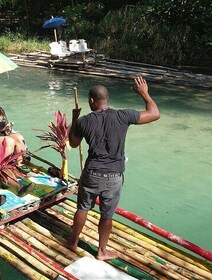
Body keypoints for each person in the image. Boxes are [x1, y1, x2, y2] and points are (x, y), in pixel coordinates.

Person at [68, 76, 160, 260]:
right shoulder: (123, 115)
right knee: (107, 214)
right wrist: (144, 94)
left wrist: (74, 118)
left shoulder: (84, 121)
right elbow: (154, 113)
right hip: (113, 176)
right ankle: (102, 251)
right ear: (106, 100)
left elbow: (73, 142)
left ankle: (73, 243)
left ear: (91, 101)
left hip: (92, 173)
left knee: (82, 209)